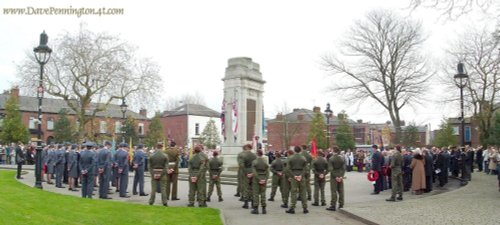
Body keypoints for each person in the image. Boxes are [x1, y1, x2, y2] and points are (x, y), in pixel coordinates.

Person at [285, 146, 309, 214]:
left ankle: (292, 208)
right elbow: (306, 169)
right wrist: (301, 175)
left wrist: (294, 175)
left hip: (294, 175)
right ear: (300, 150)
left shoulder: (291, 158)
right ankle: (305, 208)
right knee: (303, 192)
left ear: (295, 150)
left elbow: (288, 169)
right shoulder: (303, 158)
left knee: (294, 192)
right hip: (301, 175)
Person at [326, 146, 345, 211]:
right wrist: (341, 176)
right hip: (340, 175)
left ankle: (333, 205)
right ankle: (341, 204)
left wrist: (336, 176)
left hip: (334, 177)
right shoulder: (342, 158)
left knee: (333, 191)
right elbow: (344, 168)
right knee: (341, 191)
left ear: (333, 150)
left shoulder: (331, 158)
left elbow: (331, 169)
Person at [250, 150, 269, 214]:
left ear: (257, 154)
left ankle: (256, 209)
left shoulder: (254, 162)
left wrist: (258, 179)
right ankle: (264, 209)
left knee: (256, 194)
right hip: (263, 177)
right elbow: (268, 172)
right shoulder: (265, 161)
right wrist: (265, 179)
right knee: (263, 194)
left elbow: (254, 172)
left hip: (256, 179)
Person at [240, 144, 257, 209]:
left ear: (247, 148)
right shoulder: (254, 155)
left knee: (246, 188)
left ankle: (246, 203)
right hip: (253, 171)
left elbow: (242, 165)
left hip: (246, 172)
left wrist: (246, 173)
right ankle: (253, 203)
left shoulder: (243, 155)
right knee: (252, 187)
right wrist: (252, 173)